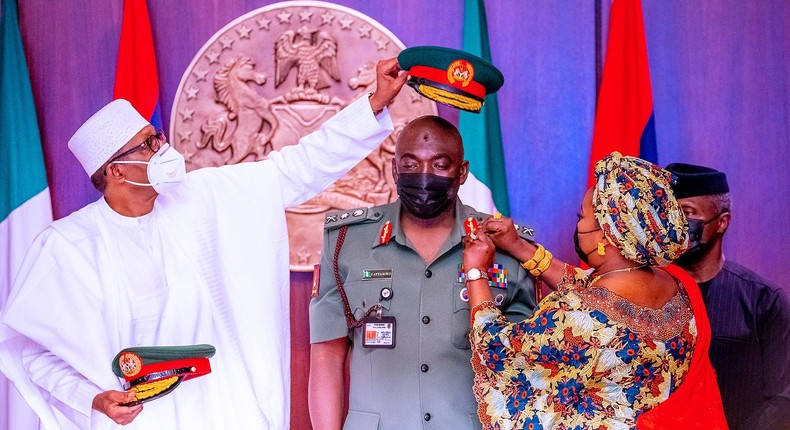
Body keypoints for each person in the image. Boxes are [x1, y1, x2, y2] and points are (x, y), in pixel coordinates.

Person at [0, 58, 408, 430]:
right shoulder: (67, 247)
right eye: (149, 144)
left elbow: (300, 167)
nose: (163, 148)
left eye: (156, 137)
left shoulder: (205, 197)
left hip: (227, 414)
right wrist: (93, 398)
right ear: (117, 171)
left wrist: (372, 104)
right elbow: (34, 352)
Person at [462, 152, 728, 429]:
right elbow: (590, 287)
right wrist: (518, 246)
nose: (578, 224)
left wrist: (476, 270)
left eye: (582, 216)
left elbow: (495, 348)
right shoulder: (676, 285)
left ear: (605, 234)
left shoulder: (579, 317)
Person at [308, 115, 537, 429]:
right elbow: (326, 356)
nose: (424, 175)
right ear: (394, 169)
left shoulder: (507, 247)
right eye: (411, 164)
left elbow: (524, 366)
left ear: (462, 172)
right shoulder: (346, 240)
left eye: (440, 165)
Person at [666, 162, 790, 430]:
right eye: (669, 213)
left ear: (722, 222)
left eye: (686, 213)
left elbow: (783, 396)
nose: (676, 223)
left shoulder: (763, 301)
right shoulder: (649, 292)